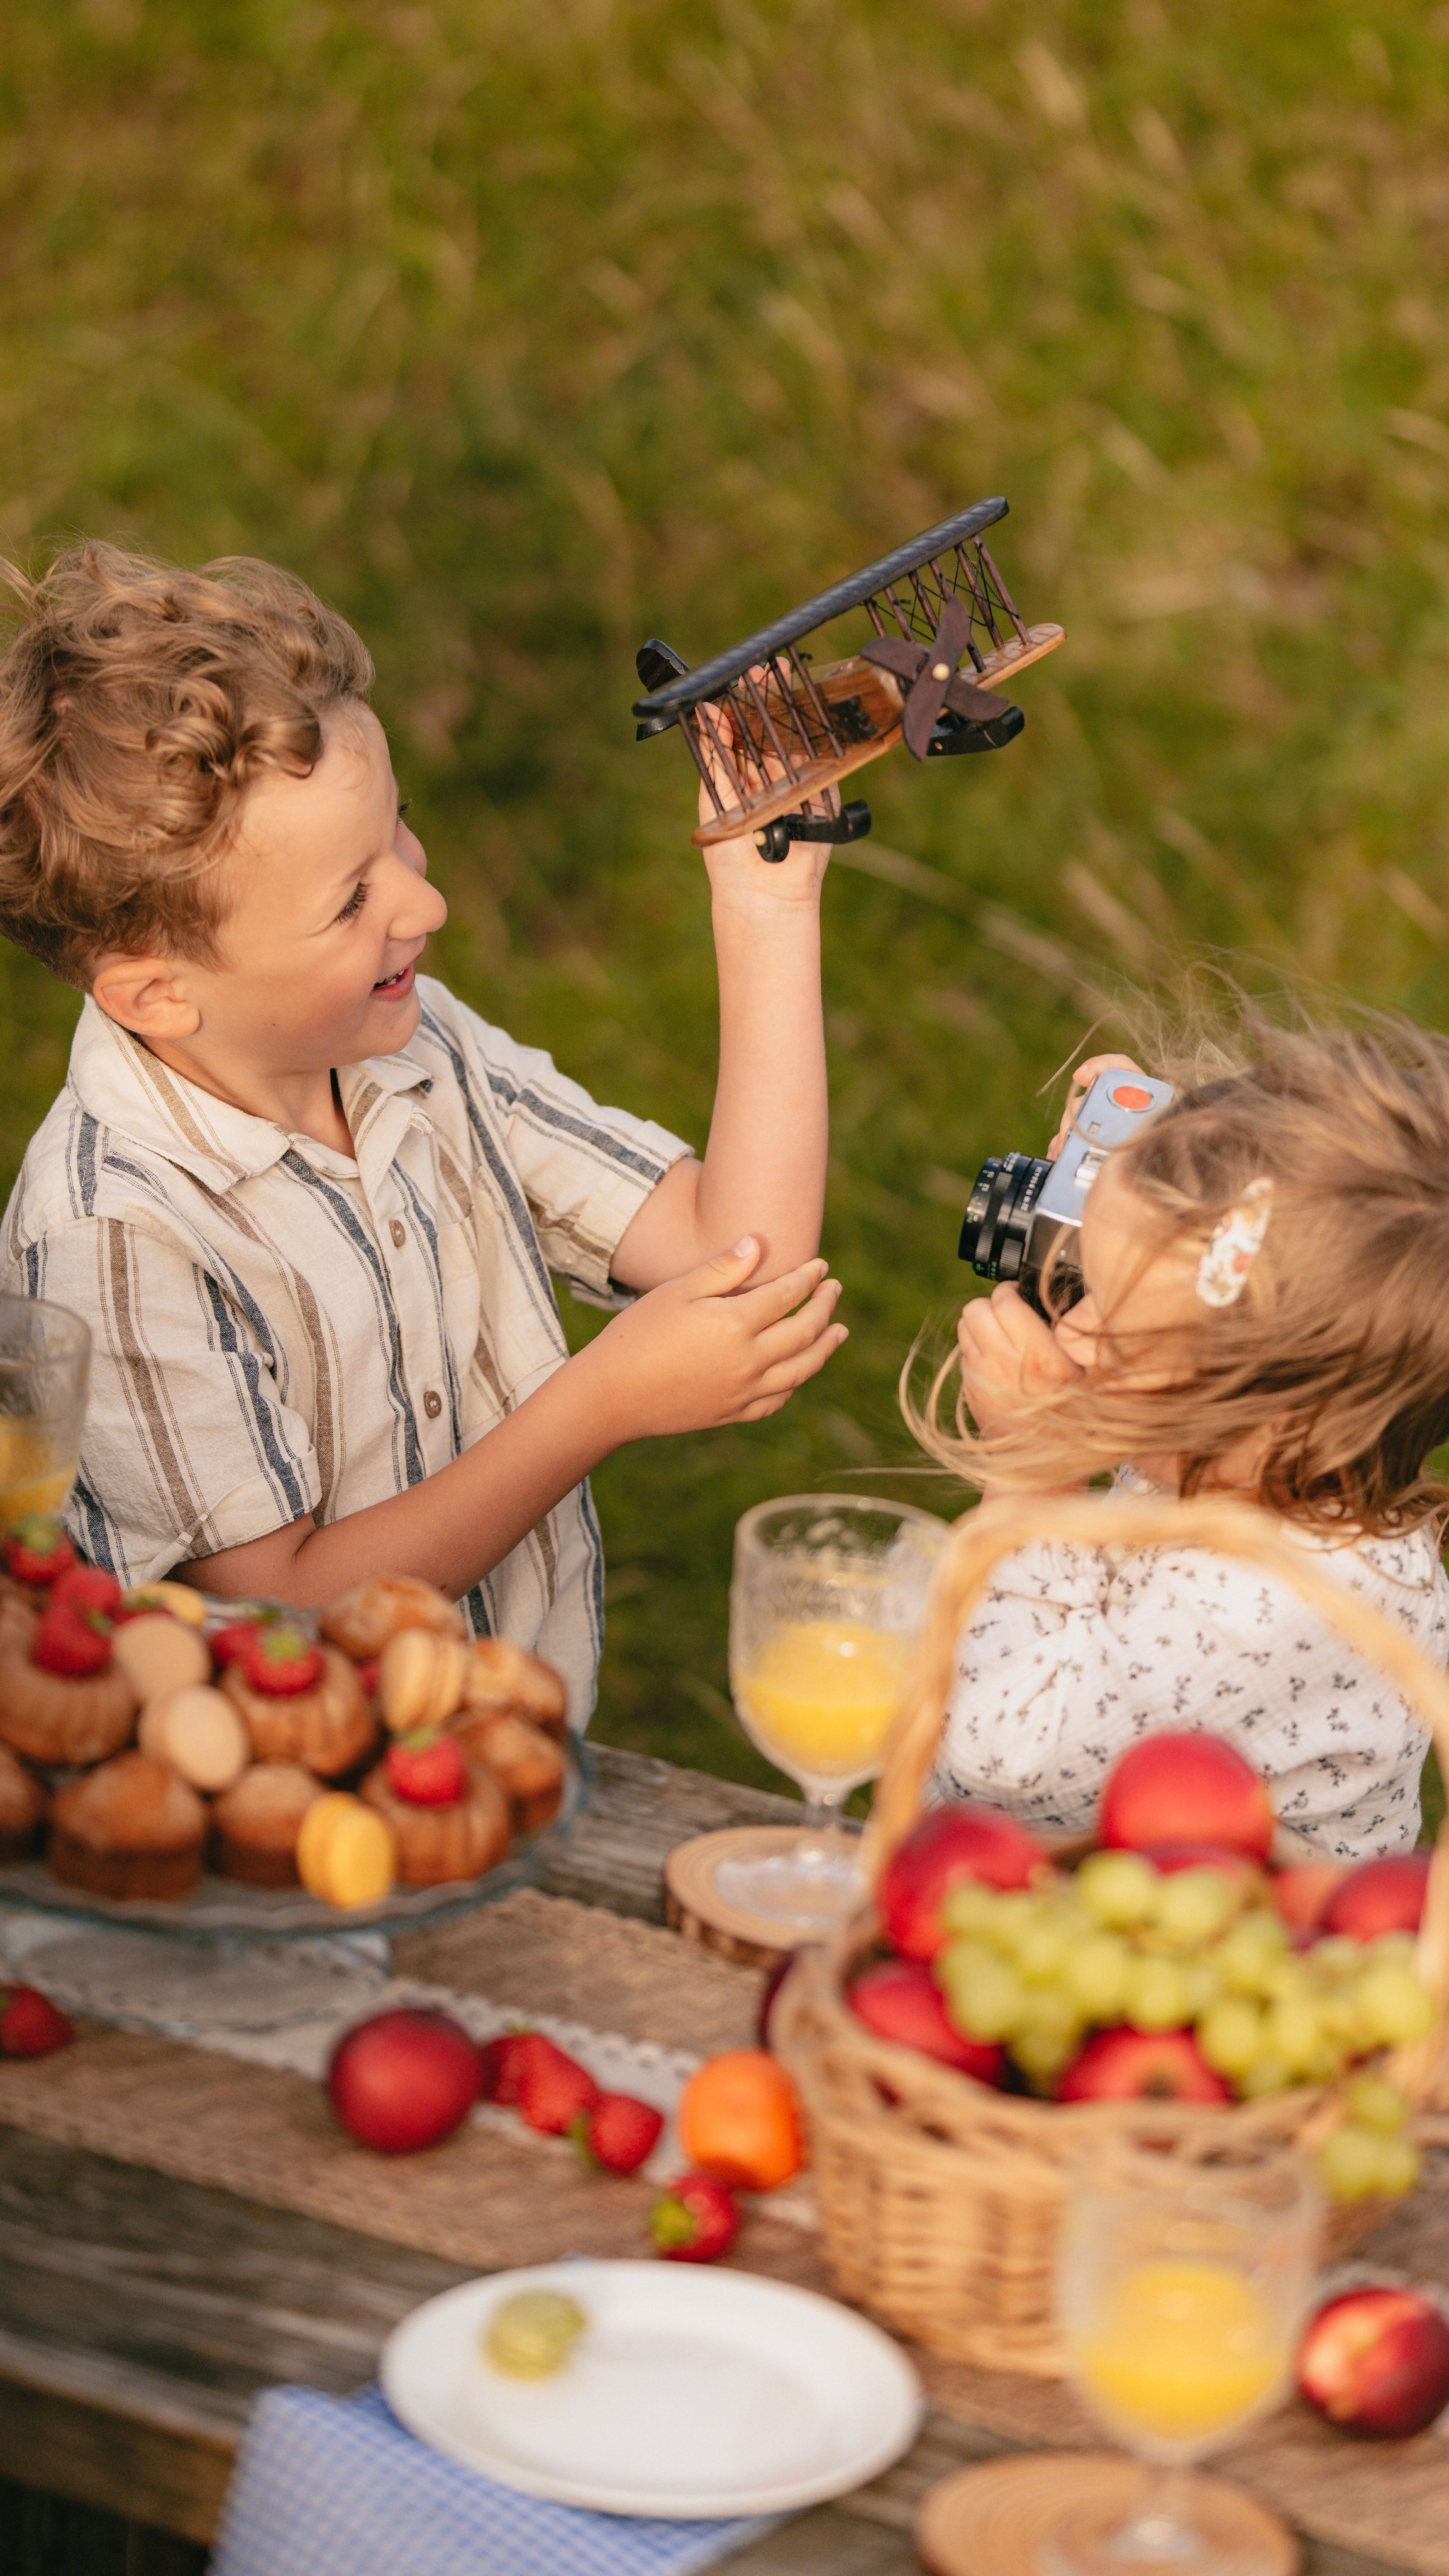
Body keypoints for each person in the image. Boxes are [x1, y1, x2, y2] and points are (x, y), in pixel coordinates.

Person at [0, 545, 847, 1726]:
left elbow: (736, 1250)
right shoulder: (114, 1234)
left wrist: (764, 901)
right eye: (352, 901)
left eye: (400, 829)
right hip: (286, 1831)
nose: (424, 903)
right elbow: (278, 1617)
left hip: (509, 1754)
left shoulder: (413, 1047)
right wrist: (595, 1403)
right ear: (156, 996)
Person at [907, 1018, 1449, 1858]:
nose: (1073, 1330)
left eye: (1116, 1327)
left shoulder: (1262, 1606)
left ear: (1272, 1422)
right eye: (1089, 1271)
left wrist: (1034, 1476)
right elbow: (1268, 1219)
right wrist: (1142, 1154)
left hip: (1206, 1960)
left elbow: (995, 1760)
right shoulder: (1259, 1456)